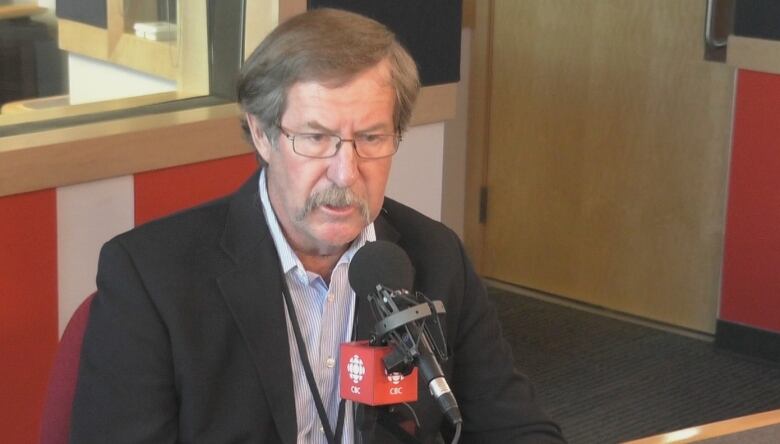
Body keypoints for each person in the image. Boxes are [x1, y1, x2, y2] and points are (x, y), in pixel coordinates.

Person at [70, 8, 565, 444]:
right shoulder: (152, 277)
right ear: (262, 134)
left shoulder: (435, 257)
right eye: (315, 137)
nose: (346, 173)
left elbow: (519, 430)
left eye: (371, 137)